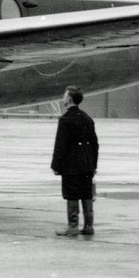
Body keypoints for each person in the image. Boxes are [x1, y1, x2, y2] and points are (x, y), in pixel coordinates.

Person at [50, 85, 99, 237]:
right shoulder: (87, 118)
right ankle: (89, 227)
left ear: (69, 99)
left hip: (71, 163)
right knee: (86, 194)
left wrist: (56, 165)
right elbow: (95, 144)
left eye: (64, 96)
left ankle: (72, 226)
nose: (62, 98)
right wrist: (93, 164)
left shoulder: (65, 120)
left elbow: (60, 145)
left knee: (72, 194)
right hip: (87, 163)